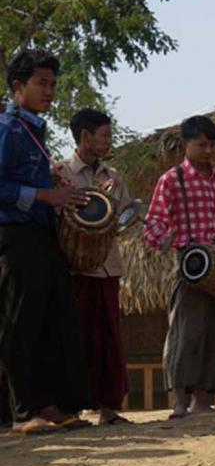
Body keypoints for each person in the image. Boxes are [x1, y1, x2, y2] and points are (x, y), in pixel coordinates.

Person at [0, 49, 93, 434]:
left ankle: (51, 404)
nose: (50, 91)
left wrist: (54, 187)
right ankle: (22, 412)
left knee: (55, 319)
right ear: (18, 86)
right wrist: (44, 196)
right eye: (41, 83)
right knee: (20, 323)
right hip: (15, 234)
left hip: (42, 234)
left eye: (53, 84)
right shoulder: (6, 128)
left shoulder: (33, 129)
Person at [144, 115, 215, 419]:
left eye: (211, 144)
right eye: (201, 144)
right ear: (185, 145)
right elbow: (152, 223)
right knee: (185, 331)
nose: (208, 150)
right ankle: (179, 399)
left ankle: (203, 399)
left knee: (214, 332)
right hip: (189, 264)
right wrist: (165, 239)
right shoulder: (172, 179)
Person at [57, 109, 132, 425]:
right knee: (79, 337)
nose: (108, 141)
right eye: (104, 135)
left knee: (109, 337)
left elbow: (128, 215)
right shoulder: (60, 174)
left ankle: (108, 406)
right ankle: (76, 406)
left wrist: (117, 217)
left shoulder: (113, 177)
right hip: (74, 269)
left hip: (108, 267)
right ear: (85, 136)